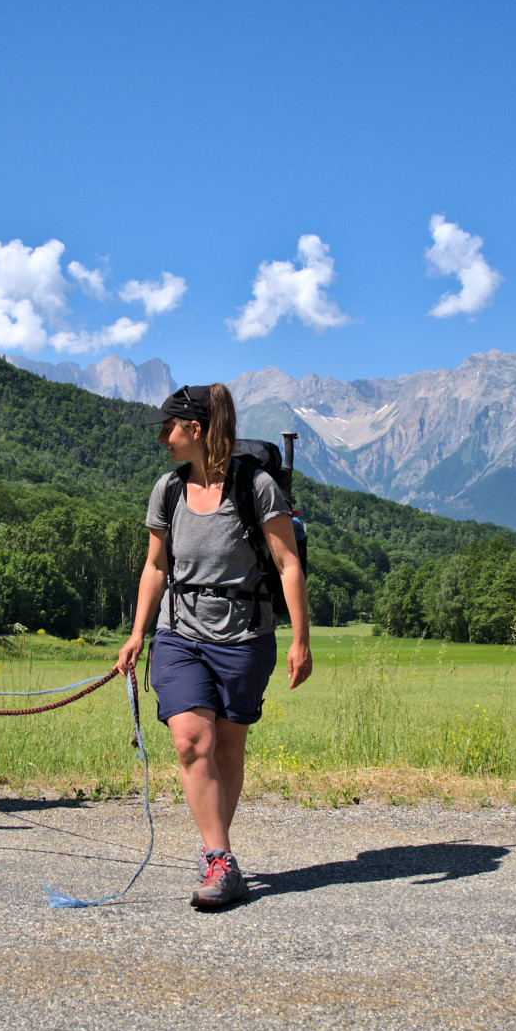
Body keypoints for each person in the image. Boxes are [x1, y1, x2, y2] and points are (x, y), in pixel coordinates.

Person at [115, 383, 312, 908]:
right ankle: (219, 858)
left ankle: (216, 854)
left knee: (228, 747)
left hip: (245, 634)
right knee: (190, 741)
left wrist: (301, 640)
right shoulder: (169, 490)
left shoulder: (258, 487)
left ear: (195, 430)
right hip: (178, 631)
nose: (162, 438)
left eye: (168, 428)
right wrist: (137, 633)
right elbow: (155, 567)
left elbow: (289, 564)